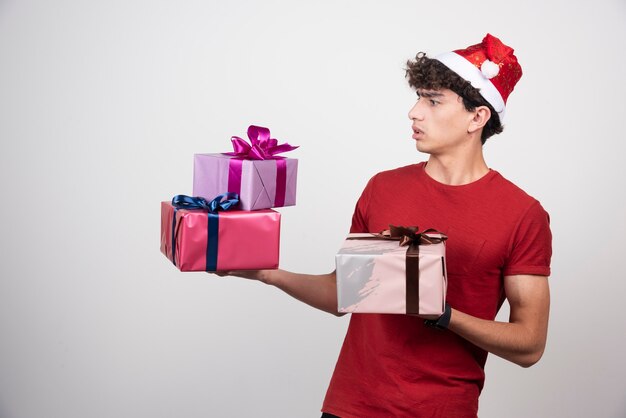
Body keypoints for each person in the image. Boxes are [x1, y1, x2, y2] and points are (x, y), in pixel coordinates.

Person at [221, 34, 552, 418]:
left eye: (432, 100)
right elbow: (343, 293)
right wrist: (267, 274)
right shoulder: (383, 188)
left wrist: (443, 314)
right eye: (417, 98)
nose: (414, 112)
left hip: (441, 410)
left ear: (477, 117)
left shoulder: (522, 213)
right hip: (350, 406)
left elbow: (530, 344)